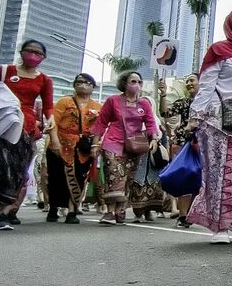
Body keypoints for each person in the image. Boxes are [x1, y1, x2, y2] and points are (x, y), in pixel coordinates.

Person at [186, 7, 232, 245]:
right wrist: (196, 115)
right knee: (220, 173)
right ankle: (219, 227)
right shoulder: (220, 50)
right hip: (218, 122)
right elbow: (206, 85)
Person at [0, 40, 54, 230]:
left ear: (43, 58)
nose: (33, 55)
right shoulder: (3, 71)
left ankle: (4, 213)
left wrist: (50, 119)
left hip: (25, 126)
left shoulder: (44, 80)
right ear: (21, 52)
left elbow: (48, 105)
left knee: (16, 169)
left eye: (38, 53)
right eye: (29, 51)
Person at [89, 71, 159, 225]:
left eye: (139, 82)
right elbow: (101, 122)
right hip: (113, 143)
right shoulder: (113, 101)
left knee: (128, 178)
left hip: (134, 146)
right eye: (133, 81)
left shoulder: (144, 104)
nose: (137, 85)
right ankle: (109, 212)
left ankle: (120, 210)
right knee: (114, 176)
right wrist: (95, 143)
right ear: (124, 83)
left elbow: (150, 123)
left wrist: (154, 138)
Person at [47, 74, 102, 224]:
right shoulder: (64, 101)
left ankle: (72, 210)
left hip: (83, 148)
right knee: (56, 178)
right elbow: (54, 123)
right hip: (61, 144)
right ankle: (53, 208)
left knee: (79, 177)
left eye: (87, 82)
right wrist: (55, 142)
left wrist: (96, 145)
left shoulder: (97, 107)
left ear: (92, 87)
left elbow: (99, 129)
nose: (83, 85)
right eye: (79, 82)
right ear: (74, 85)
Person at [158, 74, 199, 227]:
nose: (189, 83)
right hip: (184, 144)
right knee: (184, 178)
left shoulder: (211, 101)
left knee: (201, 181)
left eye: (192, 80)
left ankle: (194, 213)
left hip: (205, 145)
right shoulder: (184, 102)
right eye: (187, 81)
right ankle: (183, 216)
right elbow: (165, 113)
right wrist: (163, 94)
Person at [128, 96, 166, 222]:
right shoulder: (133, 120)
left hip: (153, 158)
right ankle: (138, 213)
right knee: (137, 182)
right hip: (138, 157)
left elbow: (161, 138)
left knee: (153, 183)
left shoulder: (157, 121)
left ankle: (149, 212)